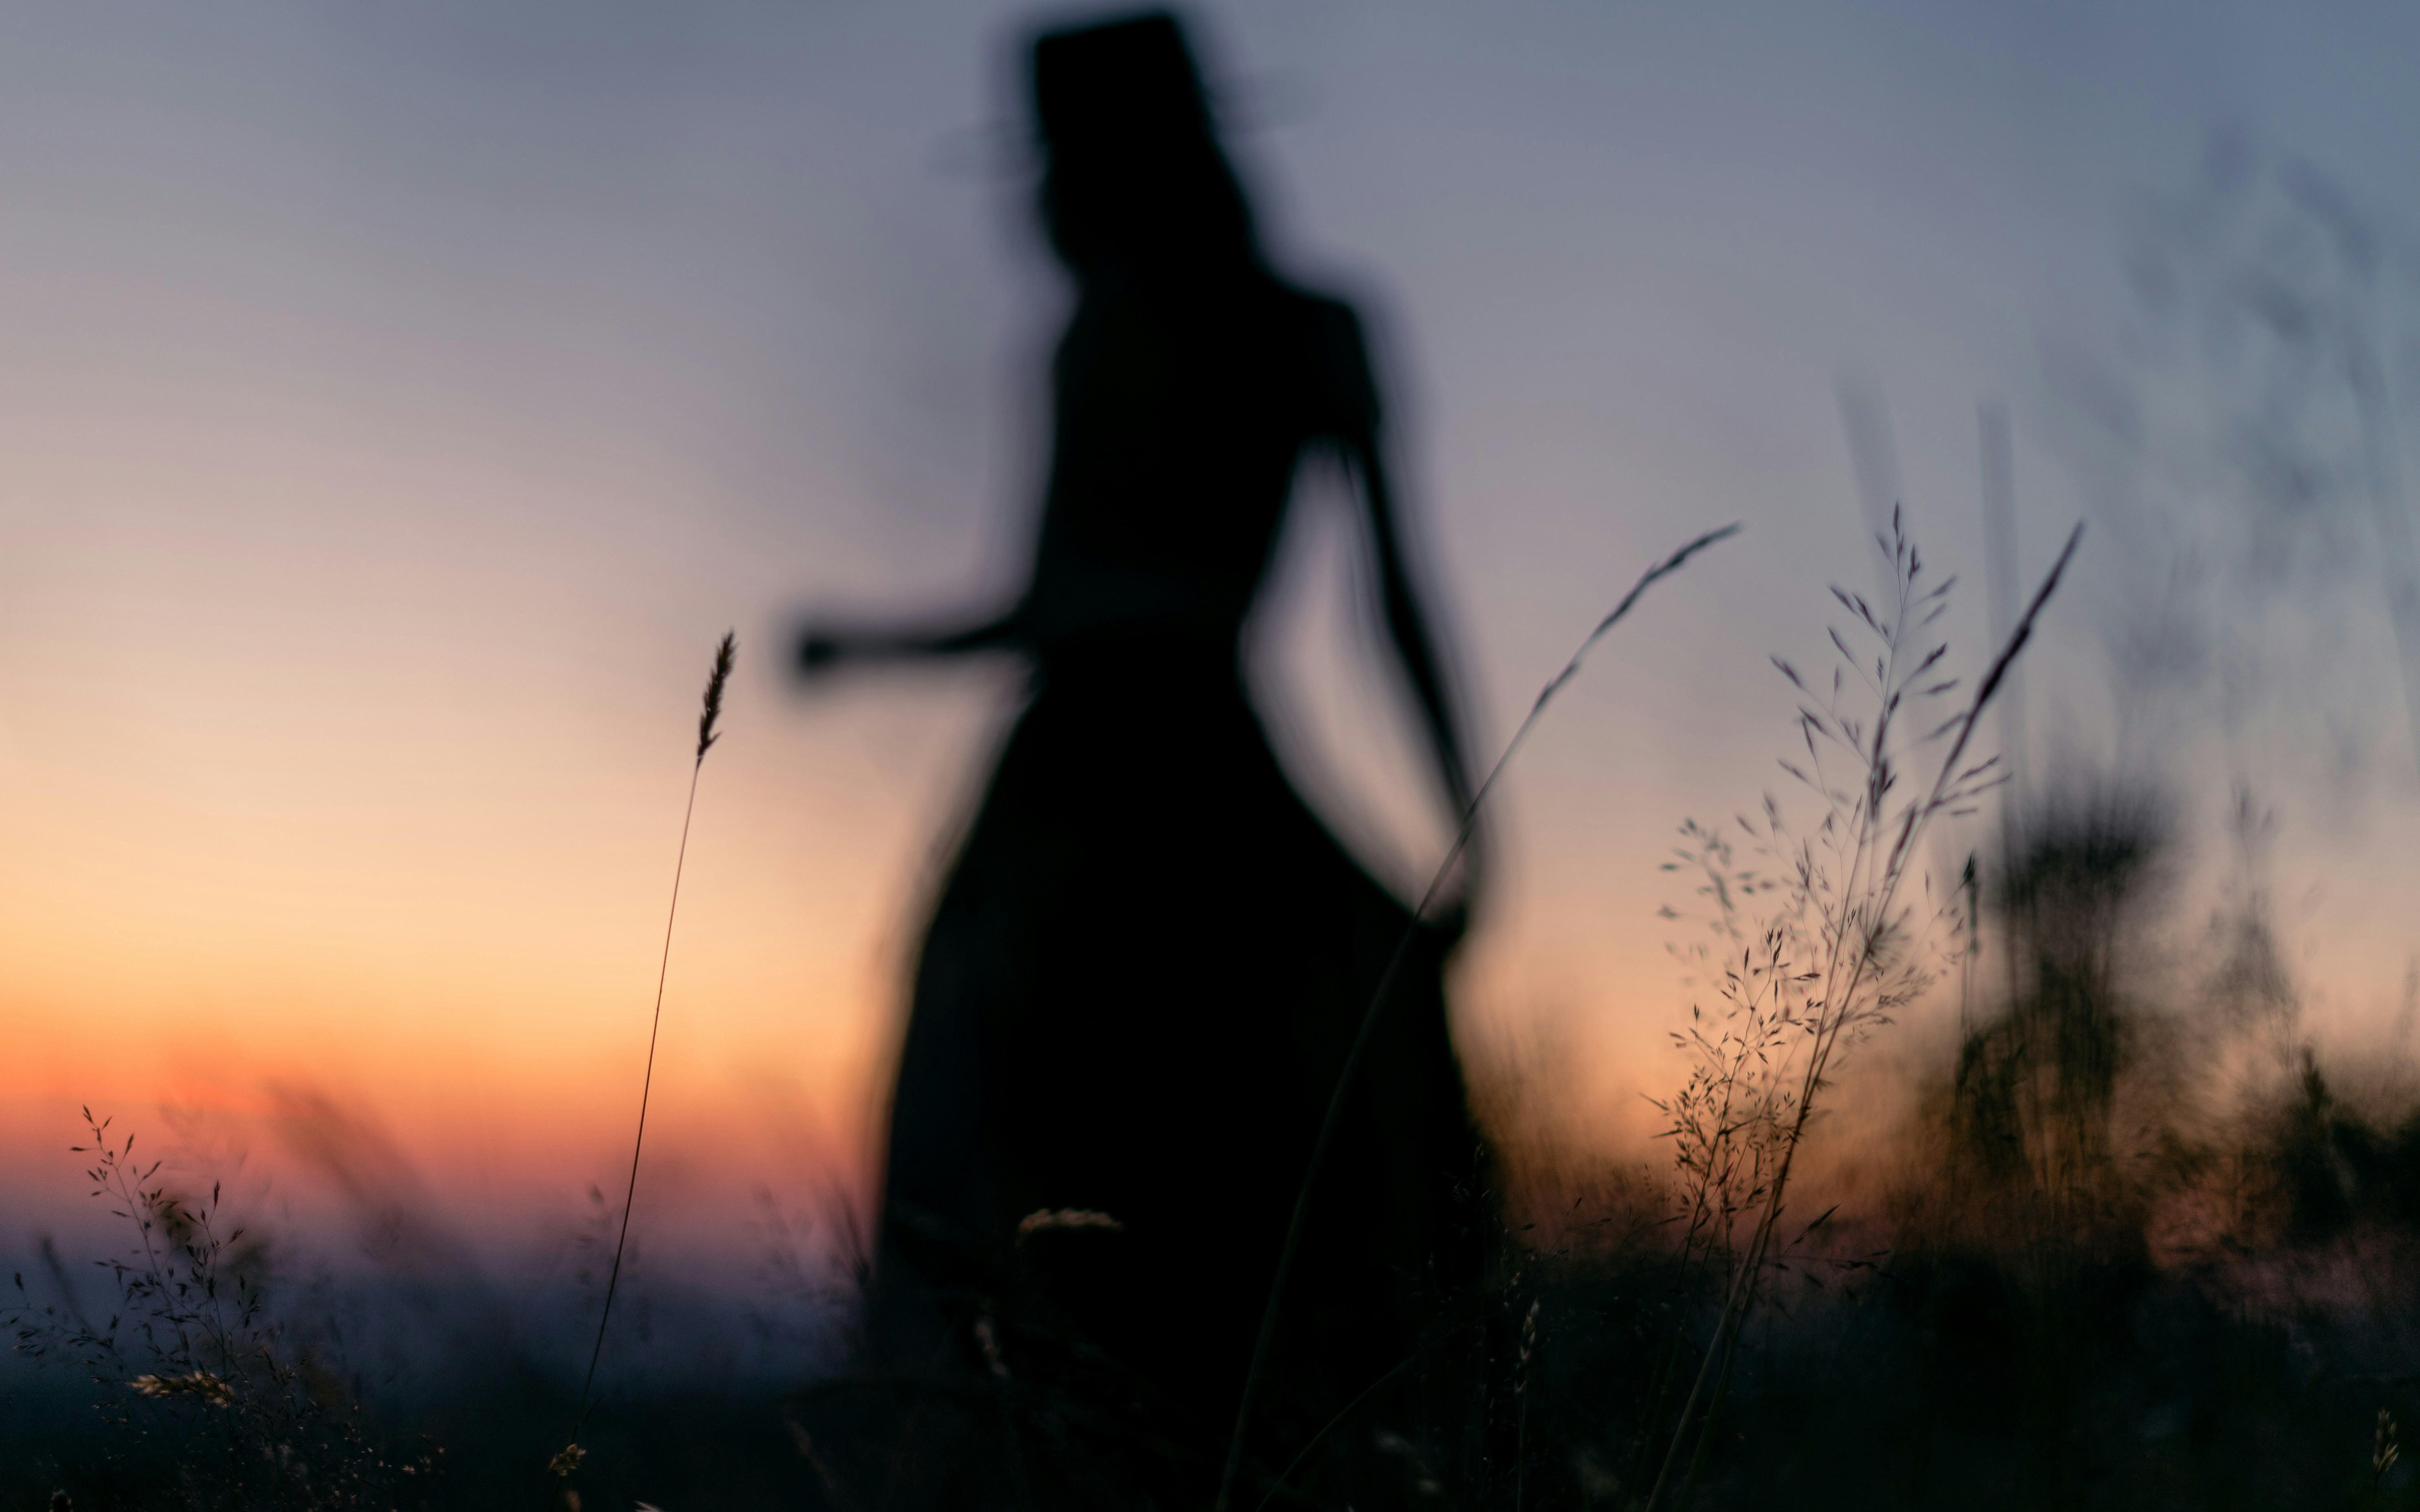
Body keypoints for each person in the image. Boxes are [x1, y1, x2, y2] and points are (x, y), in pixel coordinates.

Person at [795, 13, 1493, 1505]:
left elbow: (1067, 600)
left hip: (1094, 793)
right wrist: (1466, 822)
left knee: (985, 1176)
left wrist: (866, 648)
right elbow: (1393, 600)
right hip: (1197, 782)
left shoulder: (1114, 338)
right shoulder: (1304, 326)